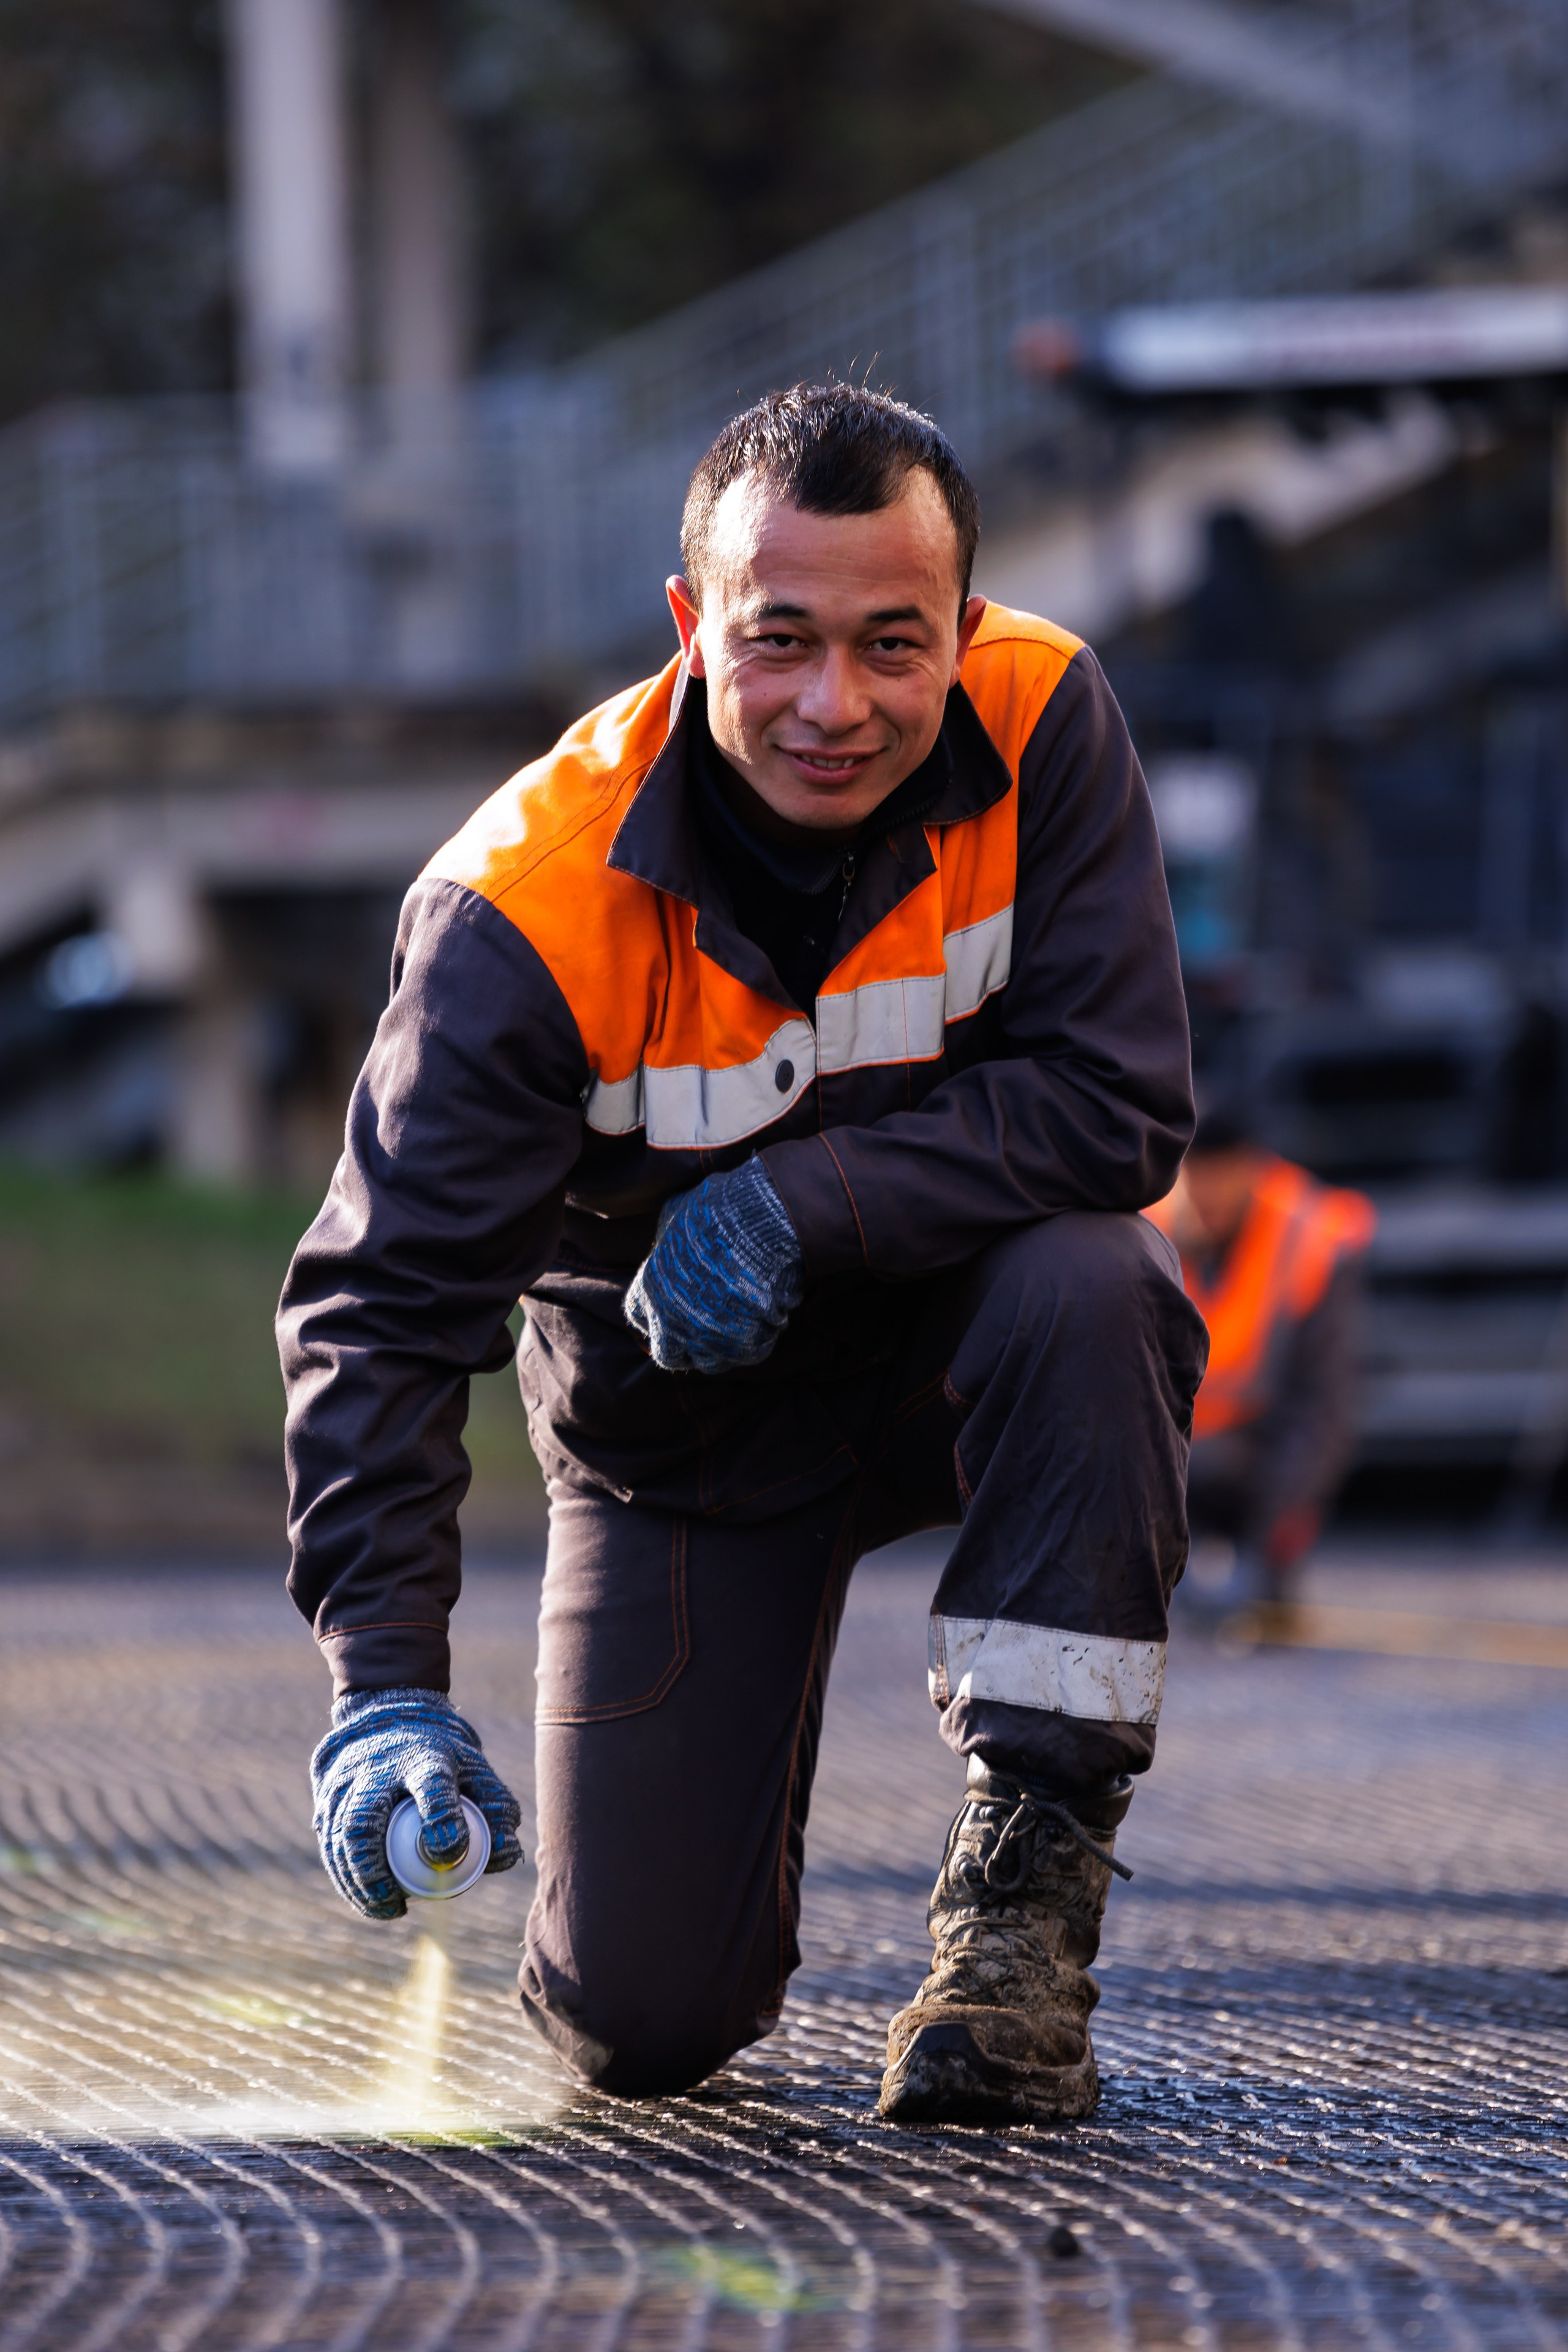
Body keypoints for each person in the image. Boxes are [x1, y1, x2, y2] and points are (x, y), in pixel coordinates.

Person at [279, 381, 1207, 2128]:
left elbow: (1120, 1103)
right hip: (684, 1438)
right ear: (693, 624)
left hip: (968, 1355)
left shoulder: (1048, 717)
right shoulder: (524, 913)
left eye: (892, 645)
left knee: (1102, 1279)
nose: (835, 706)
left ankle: (1022, 1911)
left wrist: (804, 1202)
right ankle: (652, 1955)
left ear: (963, 630)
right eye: (779, 640)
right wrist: (383, 1688)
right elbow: (384, 1311)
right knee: (643, 2027)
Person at [1148, 1108, 1375, 1612]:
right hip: (1167, 1455)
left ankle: (1261, 1566)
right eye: (1197, 1176)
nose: (1209, 1194)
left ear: (1251, 1169)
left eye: (1222, 1175)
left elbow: (1321, 1406)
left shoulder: (1311, 1240)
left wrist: (1283, 1522)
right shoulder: (1146, 1232)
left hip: (1258, 1454)